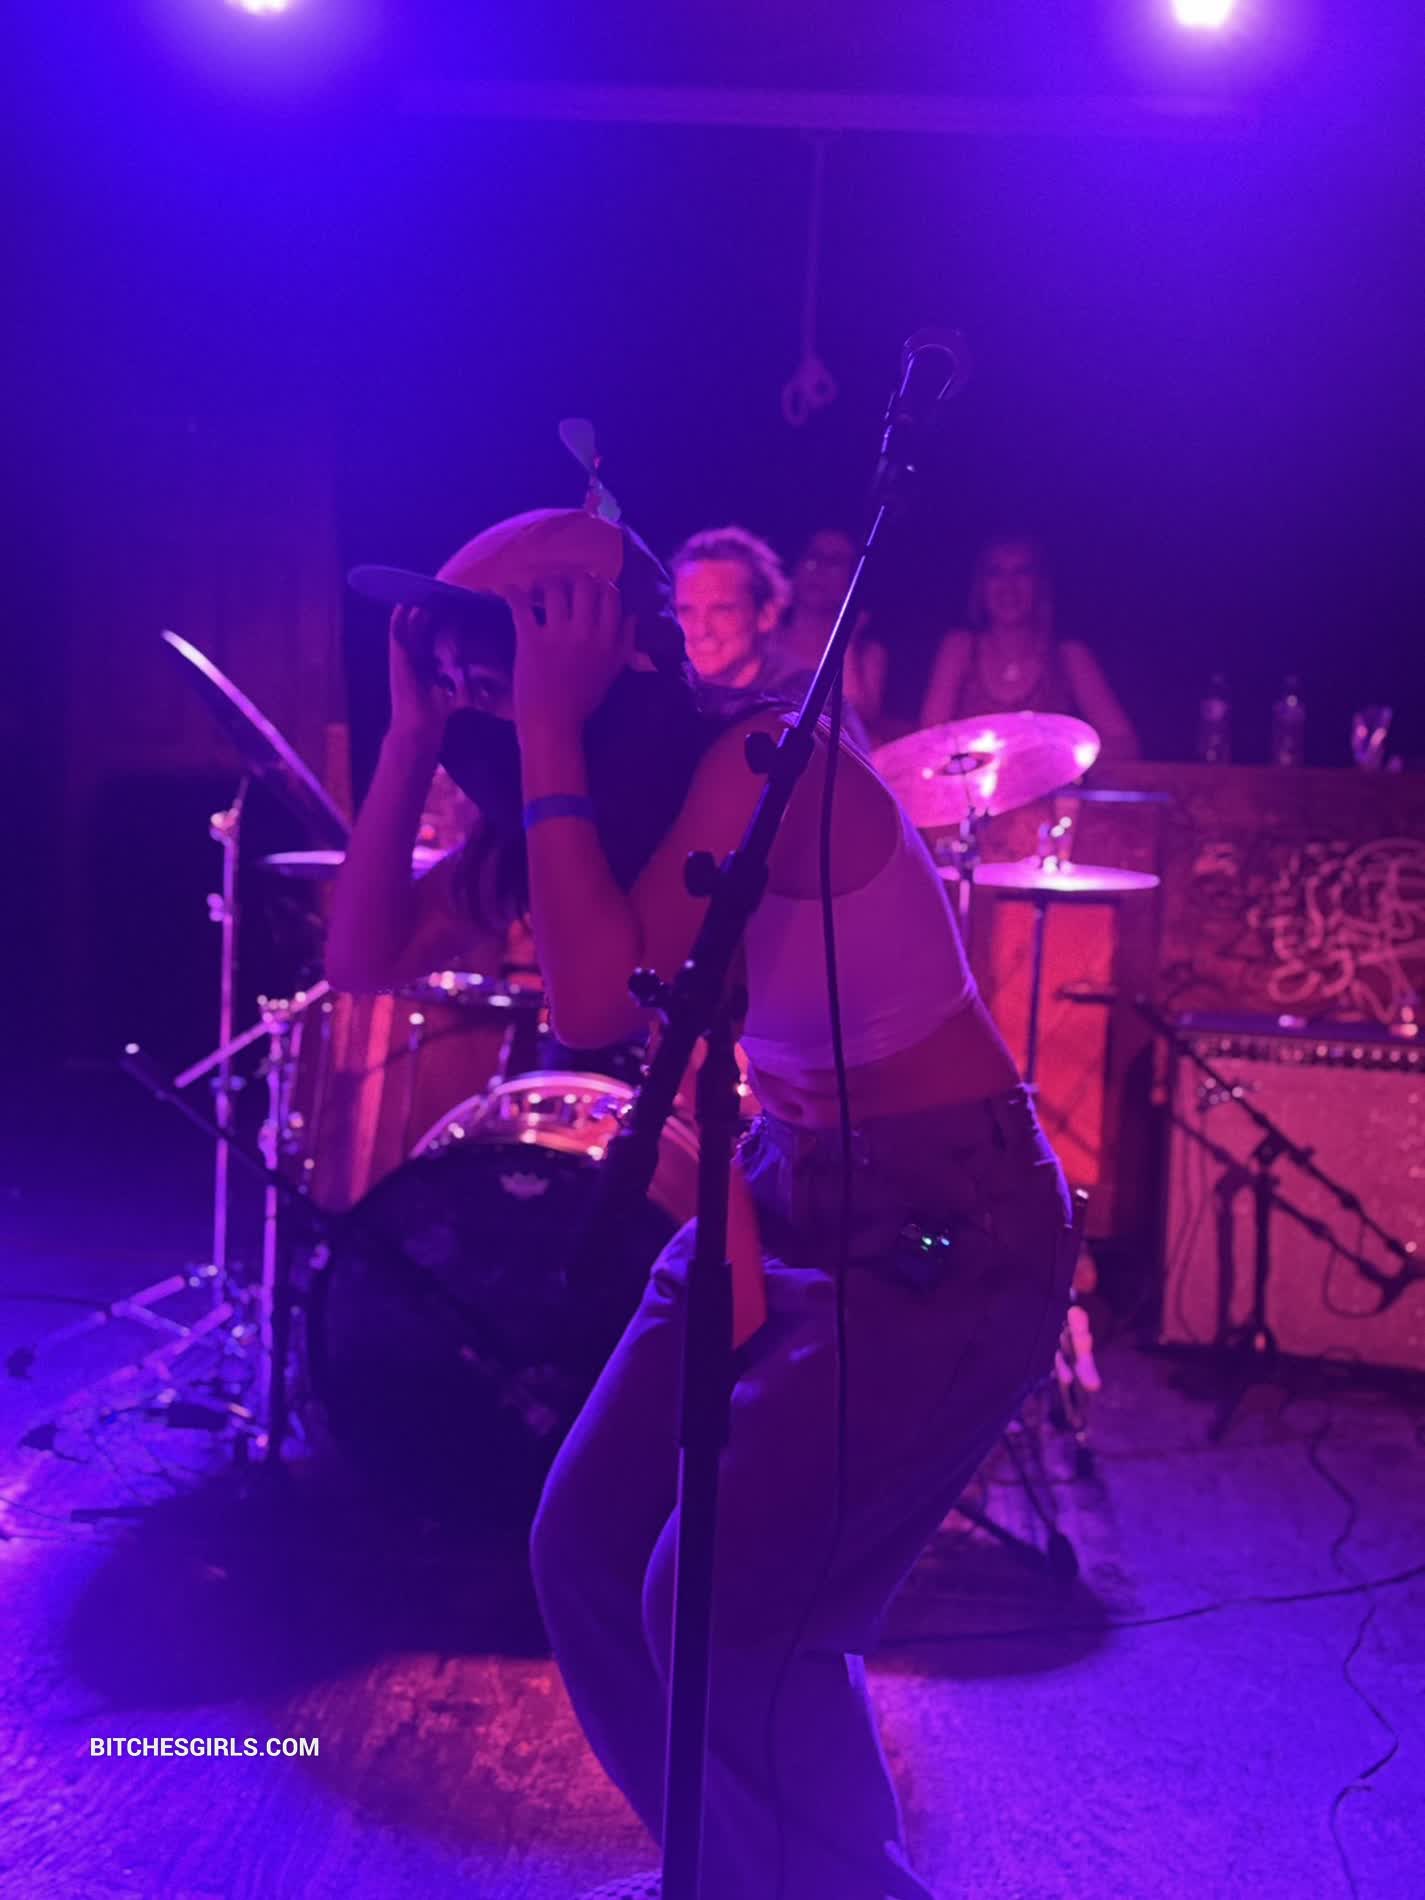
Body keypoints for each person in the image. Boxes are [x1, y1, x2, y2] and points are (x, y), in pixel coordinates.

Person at [329, 507, 1074, 1900]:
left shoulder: (756, 762)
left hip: (944, 1220)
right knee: (588, 1551)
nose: (469, 674)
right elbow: (365, 954)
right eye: (454, 652)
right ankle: (726, 1871)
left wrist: (542, 733)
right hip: (784, 1184)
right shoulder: (592, 807)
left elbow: (591, 1000)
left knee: (723, 1605)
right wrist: (411, 738)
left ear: (599, 637)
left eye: (493, 642)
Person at [920, 534, 1140, 759]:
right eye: (996, 573)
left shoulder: (1068, 657)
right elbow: (927, 742)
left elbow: (1124, 743)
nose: (1009, 586)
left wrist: (1063, 758)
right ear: (981, 587)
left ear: (1040, 585)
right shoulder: (960, 649)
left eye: (1022, 572)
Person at [778, 527, 890, 742]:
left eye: (835, 562)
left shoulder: (867, 653)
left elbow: (857, 718)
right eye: (814, 557)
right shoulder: (767, 641)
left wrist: (848, 645)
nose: (820, 570)